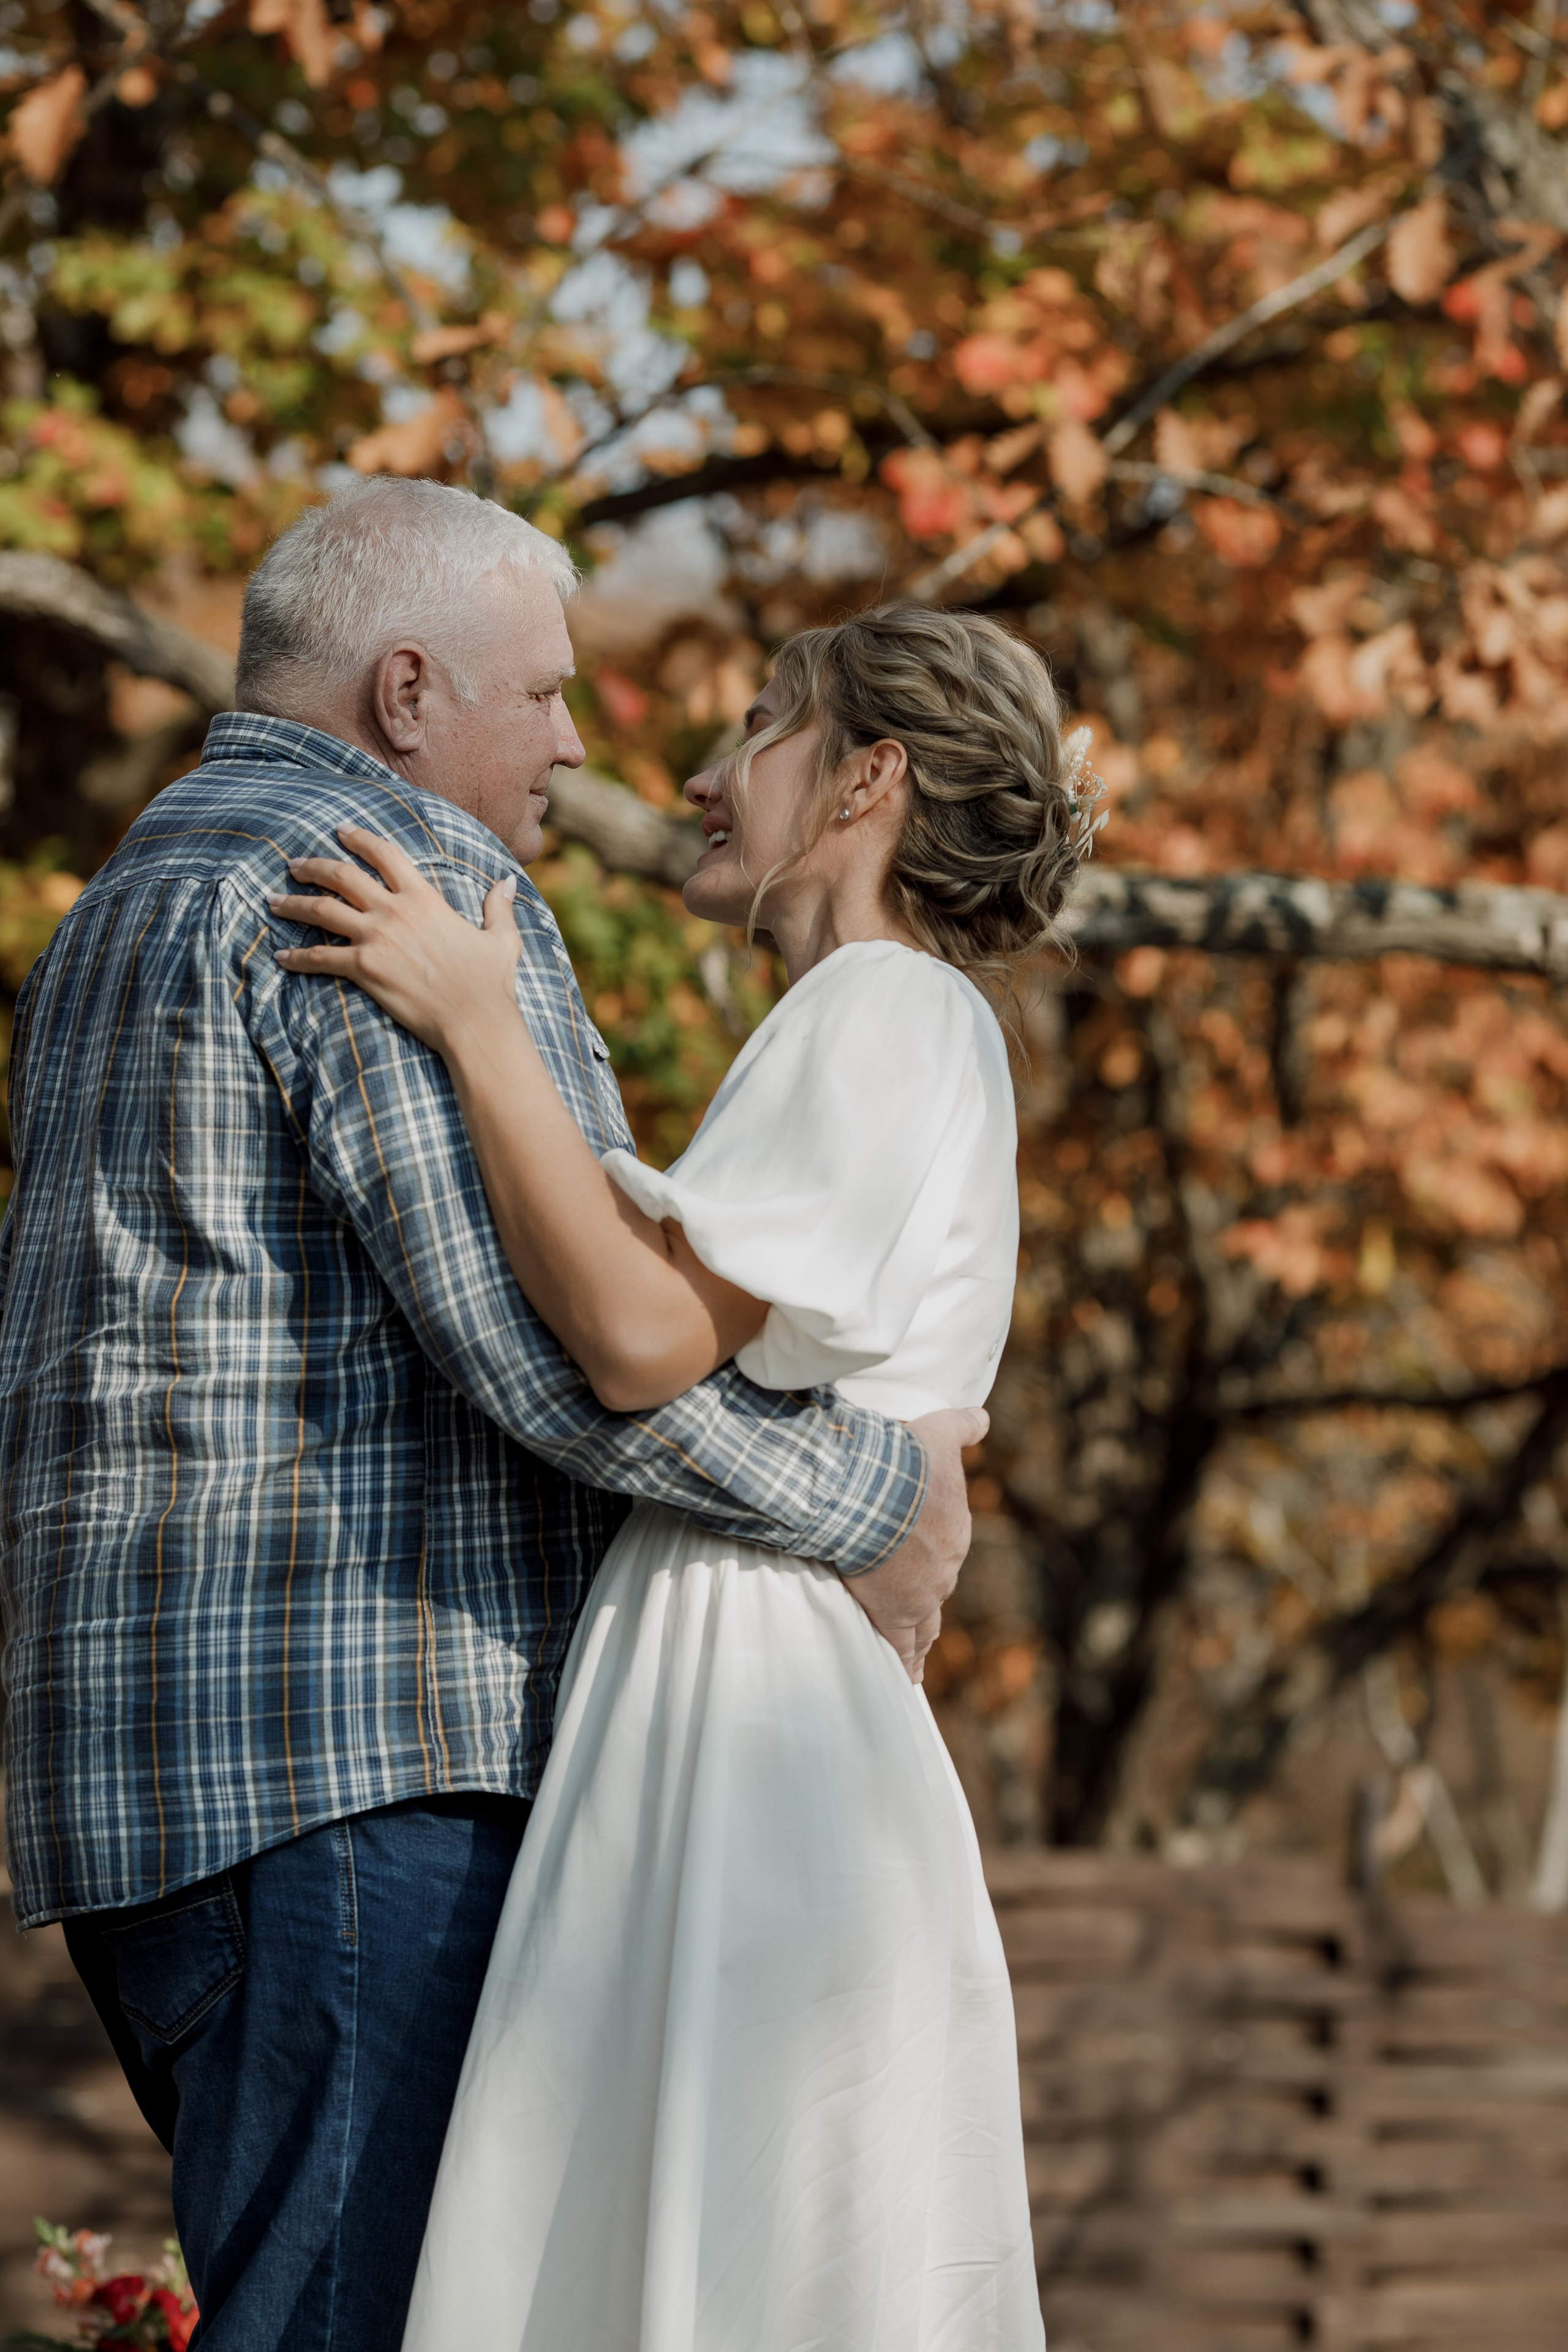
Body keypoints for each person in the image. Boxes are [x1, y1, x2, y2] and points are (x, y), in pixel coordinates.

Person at [0, 481, 981, 2352]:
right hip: (362, 1769)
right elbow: (564, 1354)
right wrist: (876, 1497)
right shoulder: (397, 889)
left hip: (138, 1800)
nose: (578, 740)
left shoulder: (116, 907)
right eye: (540, 694)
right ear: (404, 691)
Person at [269, 598, 1097, 2350]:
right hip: (744, 1678)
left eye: (763, 729)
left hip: (759, 1700)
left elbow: (643, 1341)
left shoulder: (883, 1004)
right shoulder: (885, 1025)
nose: (708, 778)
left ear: (870, 775)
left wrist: (476, 1024)